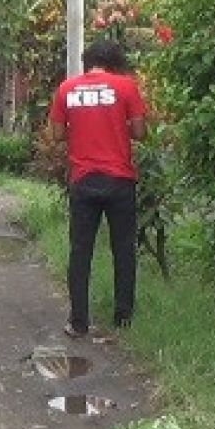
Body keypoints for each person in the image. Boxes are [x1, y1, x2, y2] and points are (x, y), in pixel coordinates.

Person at [50, 39, 148, 338]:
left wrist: (81, 131)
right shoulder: (126, 87)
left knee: (81, 251)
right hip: (120, 181)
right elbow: (140, 132)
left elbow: (55, 135)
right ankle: (123, 318)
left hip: (83, 179)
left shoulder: (67, 89)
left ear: (87, 60)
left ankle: (78, 322)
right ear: (116, 61)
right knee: (123, 250)